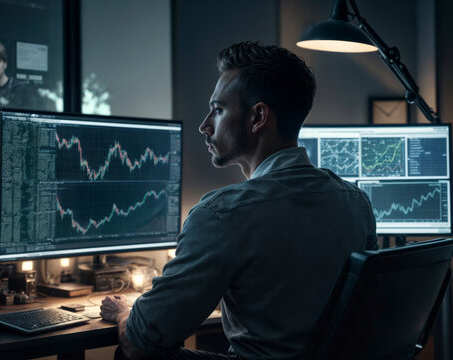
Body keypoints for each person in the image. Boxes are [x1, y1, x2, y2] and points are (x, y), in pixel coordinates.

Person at [101, 41, 377, 359]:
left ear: (258, 117)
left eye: (218, 110)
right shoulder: (356, 202)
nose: (205, 126)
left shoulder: (220, 215)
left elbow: (141, 340)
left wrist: (125, 313)